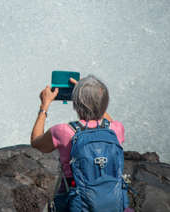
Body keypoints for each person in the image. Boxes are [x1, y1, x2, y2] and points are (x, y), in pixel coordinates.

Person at [30, 75, 131, 212]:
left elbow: (36, 142)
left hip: (75, 204)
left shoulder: (63, 131)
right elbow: (106, 119)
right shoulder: (116, 129)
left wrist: (44, 106)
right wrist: (90, 96)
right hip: (114, 204)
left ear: (76, 104)